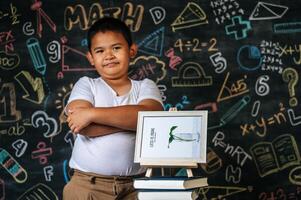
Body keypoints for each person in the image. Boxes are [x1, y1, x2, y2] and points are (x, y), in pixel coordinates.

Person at [63, 17, 163, 200]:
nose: (109, 55)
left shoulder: (146, 86)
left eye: (116, 48)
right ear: (91, 58)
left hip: (136, 187)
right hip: (87, 186)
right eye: (100, 51)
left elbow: (152, 119)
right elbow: (84, 127)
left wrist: (92, 113)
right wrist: (135, 123)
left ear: (131, 50)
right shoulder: (86, 85)